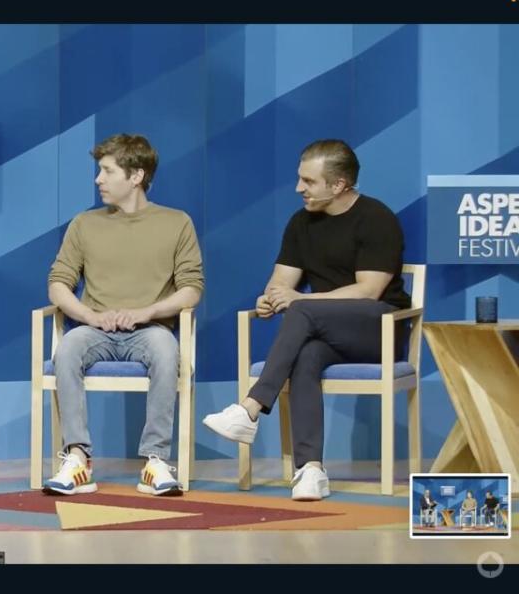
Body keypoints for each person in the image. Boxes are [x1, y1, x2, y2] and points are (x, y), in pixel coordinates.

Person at [202, 139, 411, 501]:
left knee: (302, 311)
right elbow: (282, 279)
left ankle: (249, 409)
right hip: (324, 330)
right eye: (300, 179)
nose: (299, 188)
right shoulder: (301, 223)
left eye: (309, 182)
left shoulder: (377, 218)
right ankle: (311, 469)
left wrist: (298, 300)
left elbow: (369, 290)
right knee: (307, 355)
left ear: (339, 185)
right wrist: (272, 298)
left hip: (379, 329)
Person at [42, 133, 204, 497]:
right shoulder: (84, 224)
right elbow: (58, 285)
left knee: (166, 351)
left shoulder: (177, 222)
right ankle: (78, 458)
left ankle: (155, 461)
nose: (98, 180)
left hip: (150, 329)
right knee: (67, 348)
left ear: (136, 176)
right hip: (95, 328)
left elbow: (191, 289)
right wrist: (88, 316)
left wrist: (147, 311)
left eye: (106, 171)